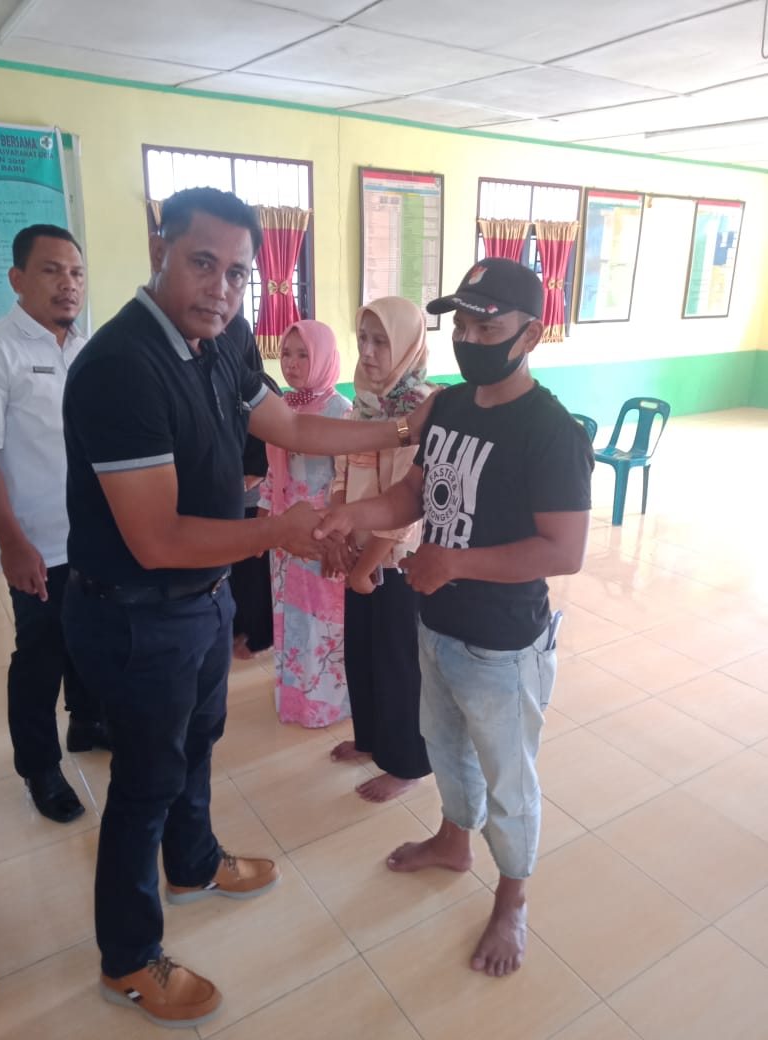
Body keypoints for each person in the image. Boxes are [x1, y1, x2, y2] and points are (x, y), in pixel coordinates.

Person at [60, 187, 432, 1030]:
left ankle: (193, 864)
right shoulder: (121, 367)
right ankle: (128, 958)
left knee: (198, 745)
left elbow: (289, 427)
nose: (222, 289)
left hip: (202, 597)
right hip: (135, 612)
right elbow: (156, 537)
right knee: (144, 784)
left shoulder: (223, 337)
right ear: (159, 249)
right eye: (203, 263)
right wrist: (279, 531)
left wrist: (399, 432)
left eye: (237, 273)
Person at [317, 257, 593, 977]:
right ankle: (451, 840)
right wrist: (354, 514)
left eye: (487, 327)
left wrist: (456, 563)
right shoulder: (449, 407)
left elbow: (564, 551)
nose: (470, 339)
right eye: (462, 325)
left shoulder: (551, 431)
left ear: (530, 334)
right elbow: (415, 494)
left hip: (504, 643)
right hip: (436, 623)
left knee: (508, 779)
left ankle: (512, 898)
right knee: (444, 747)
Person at [0, 224, 108, 825]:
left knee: (92, 635)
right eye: (51, 270)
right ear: (17, 279)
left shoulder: (87, 349)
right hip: (36, 541)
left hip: (93, 533)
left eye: (76, 272)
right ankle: (40, 767)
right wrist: (12, 542)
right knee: (40, 652)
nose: (68, 284)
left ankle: (87, 721)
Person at [327, 297, 433, 802]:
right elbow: (342, 475)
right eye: (363, 339)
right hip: (360, 560)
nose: (367, 352)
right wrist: (339, 537)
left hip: (395, 566)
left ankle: (406, 763)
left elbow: (408, 509)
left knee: (398, 666)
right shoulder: (363, 405)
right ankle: (371, 738)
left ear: (408, 345)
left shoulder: (420, 414)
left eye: (381, 341)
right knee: (363, 655)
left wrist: (364, 565)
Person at [258, 319, 351, 727]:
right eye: (287, 353)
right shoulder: (283, 407)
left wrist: (336, 536)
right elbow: (273, 473)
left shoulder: (340, 411)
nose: (291, 364)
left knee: (322, 621)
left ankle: (326, 706)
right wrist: (264, 522)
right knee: (290, 617)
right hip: (285, 532)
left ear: (324, 358)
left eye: (303, 355)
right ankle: (294, 701)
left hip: (321, 533)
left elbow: (346, 481)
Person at [218, 313, 275, 660]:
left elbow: (279, 441)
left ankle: (255, 636)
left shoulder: (260, 387)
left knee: (253, 573)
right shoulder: (212, 384)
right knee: (235, 571)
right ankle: (236, 630)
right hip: (225, 499)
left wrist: (257, 472)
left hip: (254, 497)